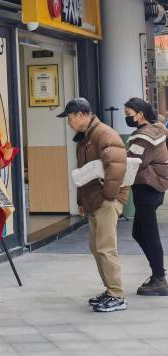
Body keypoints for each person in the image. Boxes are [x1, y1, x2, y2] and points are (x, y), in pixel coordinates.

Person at [57, 98, 128, 312]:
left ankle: (117, 295)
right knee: (97, 247)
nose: (68, 123)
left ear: (81, 114)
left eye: (69, 118)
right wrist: (82, 201)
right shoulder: (87, 136)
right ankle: (110, 290)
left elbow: (116, 167)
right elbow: (84, 173)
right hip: (95, 200)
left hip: (106, 200)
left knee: (106, 248)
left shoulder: (104, 134)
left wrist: (109, 197)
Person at [124, 98, 168, 295]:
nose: (126, 117)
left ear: (140, 114)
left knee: (149, 233)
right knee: (139, 233)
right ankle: (158, 275)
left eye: (128, 114)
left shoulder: (144, 136)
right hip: (155, 187)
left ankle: (159, 279)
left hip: (147, 187)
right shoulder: (157, 129)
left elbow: (133, 161)